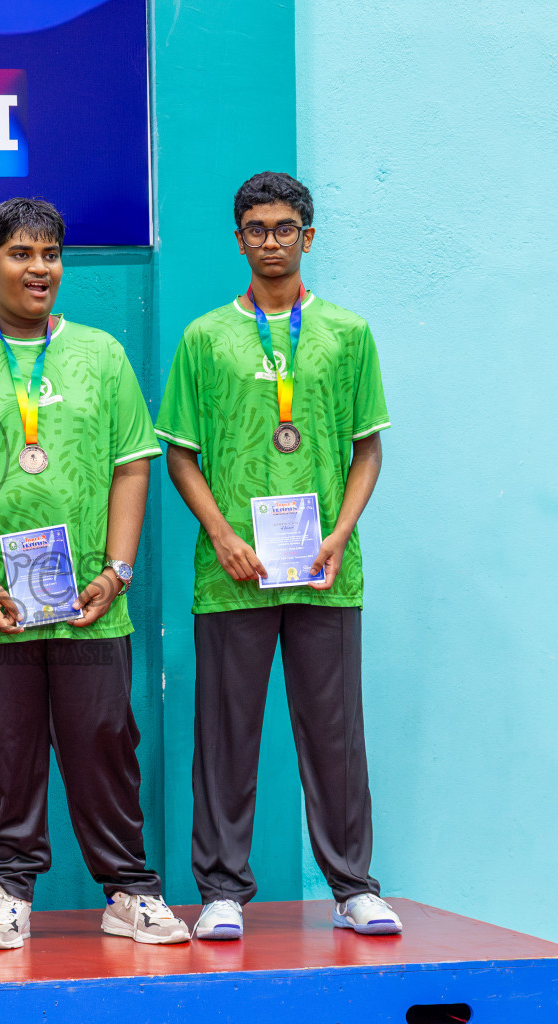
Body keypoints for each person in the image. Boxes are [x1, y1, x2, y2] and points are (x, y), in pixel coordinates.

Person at [0, 198, 188, 950]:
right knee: (2, 748)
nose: (41, 269)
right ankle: (10, 891)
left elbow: (132, 467)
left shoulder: (100, 352)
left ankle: (130, 890)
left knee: (102, 739)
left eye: (50, 254)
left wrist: (118, 570)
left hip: (89, 602)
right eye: (22, 255)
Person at [156, 171, 399, 941]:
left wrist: (340, 533)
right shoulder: (205, 337)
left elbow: (368, 451)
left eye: (284, 228)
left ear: (309, 236)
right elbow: (181, 457)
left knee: (335, 733)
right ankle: (223, 890)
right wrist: (224, 537)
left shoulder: (348, 335)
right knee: (226, 734)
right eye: (256, 229)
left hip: (328, 571)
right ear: (239, 239)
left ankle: (353, 887)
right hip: (233, 575)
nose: (270, 241)